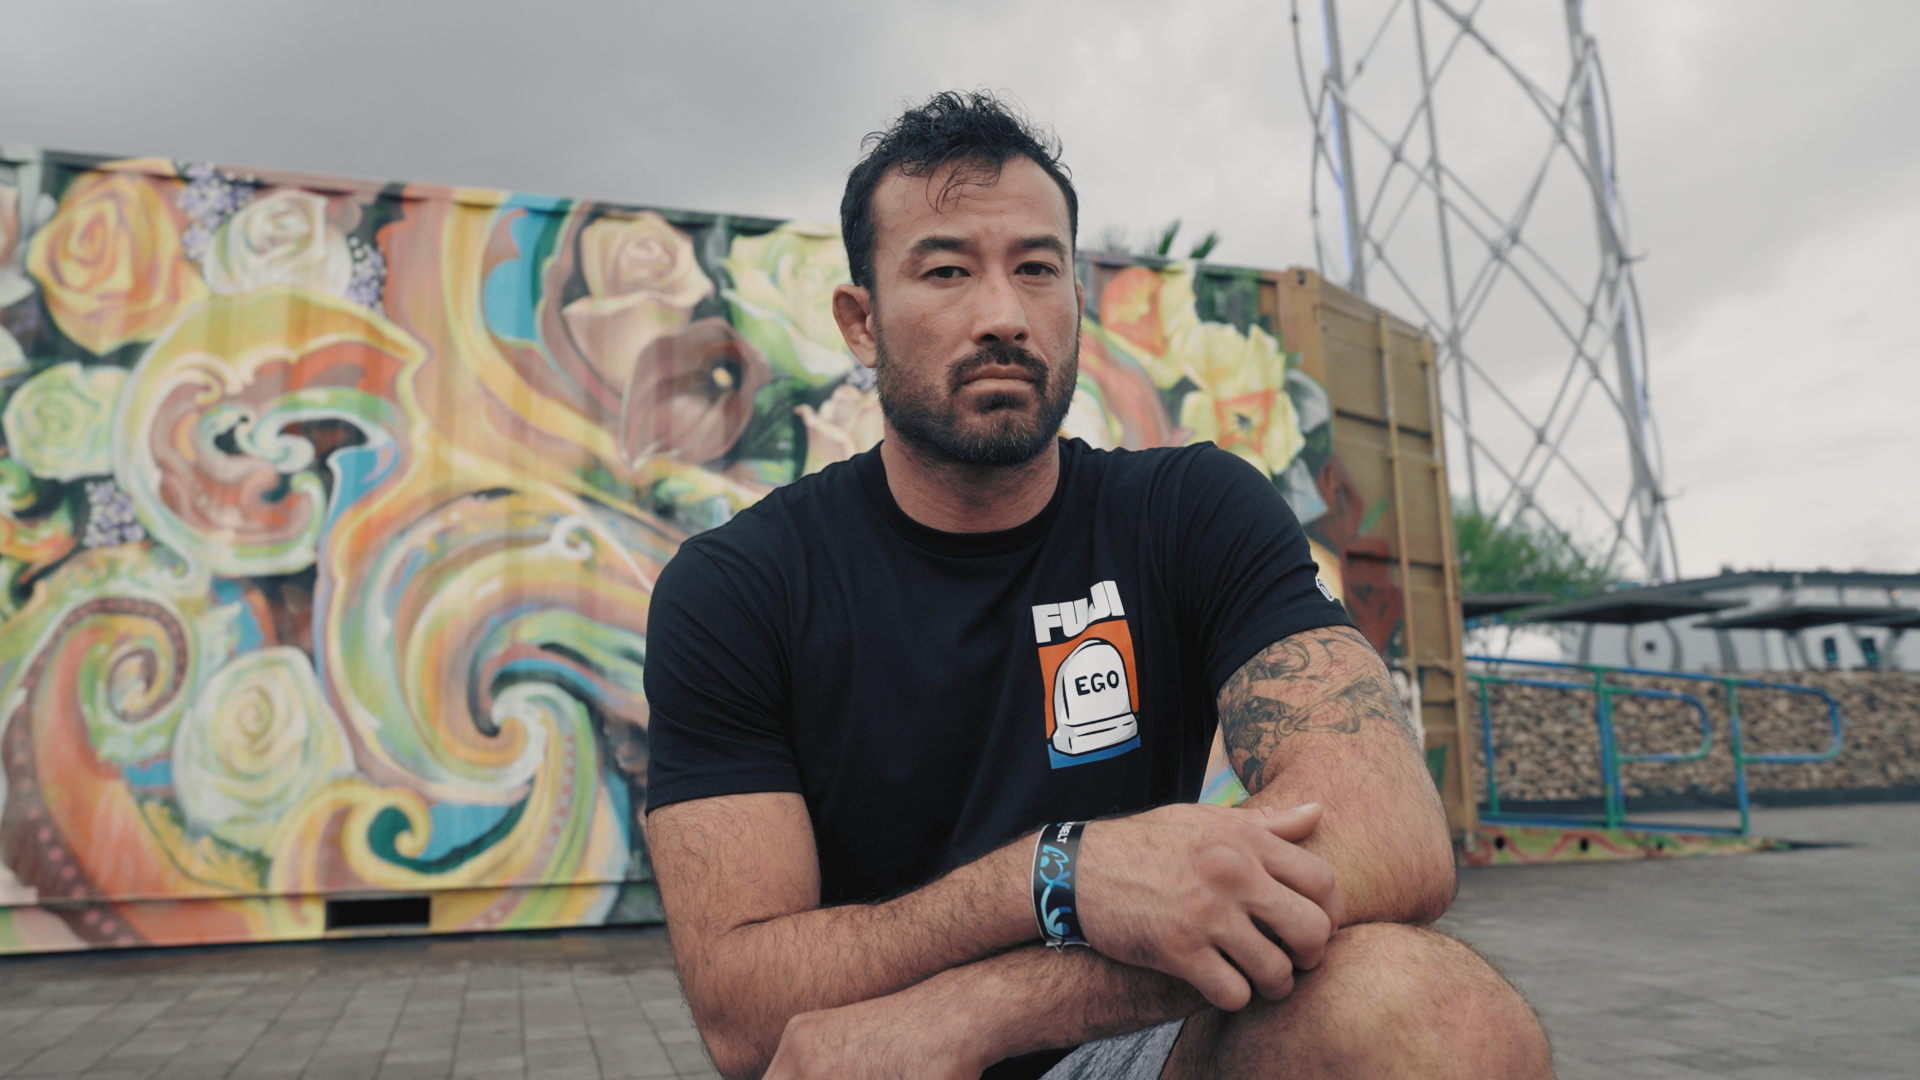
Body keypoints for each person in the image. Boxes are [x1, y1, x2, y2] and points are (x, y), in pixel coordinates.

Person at [642, 91, 1552, 1080]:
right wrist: (1053, 875)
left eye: (1037, 269)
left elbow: (1392, 830)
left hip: (1124, 1047)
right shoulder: (737, 588)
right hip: (876, 1058)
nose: (1003, 315)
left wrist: (983, 1009)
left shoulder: (1189, 511)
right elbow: (742, 1013)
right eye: (946, 270)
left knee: (1438, 1019)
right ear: (861, 325)